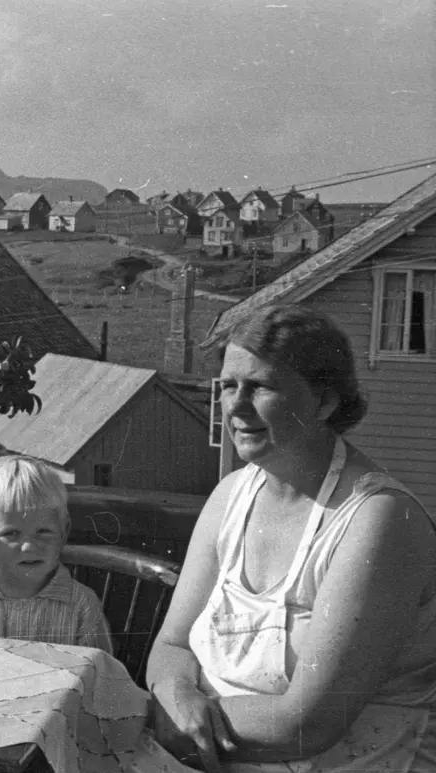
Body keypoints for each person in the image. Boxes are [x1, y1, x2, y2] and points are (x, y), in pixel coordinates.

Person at [146, 304, 436, 773]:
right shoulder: (231, 496)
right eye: (227, 385)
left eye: (260, 386)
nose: (236, 406)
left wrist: (183, 728)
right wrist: (176, 693)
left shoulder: (376, 520)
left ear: (324, 403)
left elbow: (308, 724)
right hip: (216, 756)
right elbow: (172, 647)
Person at [0, 455, 112, 652]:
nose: (29, 546)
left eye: (43, 532)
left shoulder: (82, 605)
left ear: (64, 532)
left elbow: (100, 674)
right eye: (11, 533)